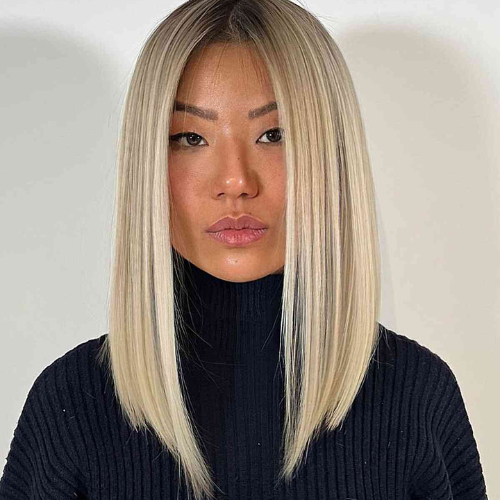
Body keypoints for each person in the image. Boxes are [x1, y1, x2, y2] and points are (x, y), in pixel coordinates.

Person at [0, 0, 488, 499]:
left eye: (274, 135)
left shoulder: (416, 394)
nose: (235, 181)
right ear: (148, 160)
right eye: (191, 138)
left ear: (330, 155)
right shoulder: (71, 404)